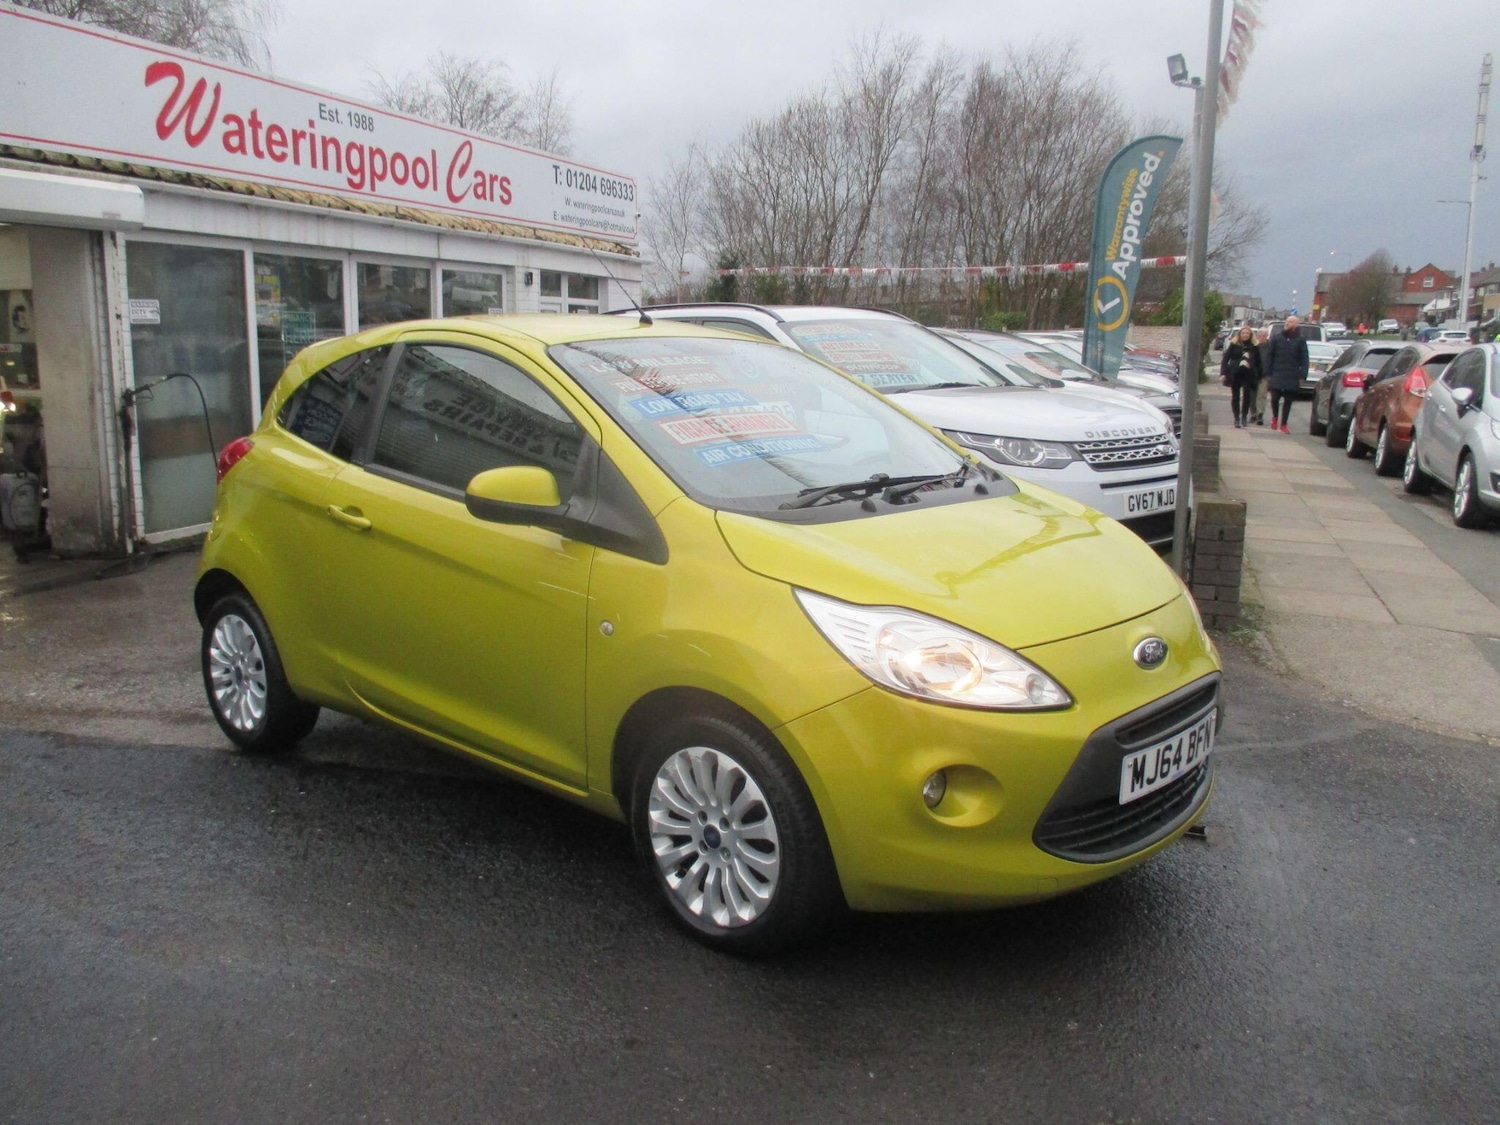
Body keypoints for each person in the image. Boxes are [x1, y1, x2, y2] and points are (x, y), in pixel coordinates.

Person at [1263, 314, 1308, 433]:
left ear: (1296, 325)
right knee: (1274, 399)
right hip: (1277, 374)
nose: (1287, 323)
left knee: (1288, 401)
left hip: (1291, 376)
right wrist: (1268, 373)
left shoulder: (1300, 340)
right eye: (1287, 321)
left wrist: (1302, 374)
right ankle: (1275, 418)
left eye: (1290, 322)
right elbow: (1270, 356)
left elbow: (1304, 358)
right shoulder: (1277, 338)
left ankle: (1284, 424)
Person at [1220, 324, 1262, 428]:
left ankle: (1244, 417)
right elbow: (1226, 359)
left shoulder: (1254, 347)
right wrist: (1223, 373)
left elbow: (1258, 362)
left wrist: (1259, 375)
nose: (1245, 335)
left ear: (1250, 335)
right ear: (1240, 334)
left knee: (1247, 396)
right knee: (1235, 397)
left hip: (1248, 374)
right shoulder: (1234, 345)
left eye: (1247, 333)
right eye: (1243, 333)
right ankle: (1236, 418)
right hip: (1235, 373)